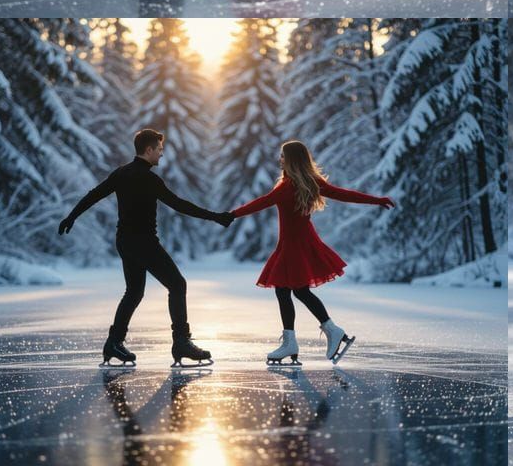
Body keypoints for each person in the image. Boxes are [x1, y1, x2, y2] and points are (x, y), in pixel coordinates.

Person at [58, 128, 235, 368]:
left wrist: (71, 216)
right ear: (148, 149)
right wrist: (215, 217)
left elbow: (94, 195)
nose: (162, 154)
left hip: (125, 242)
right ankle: (181, 342)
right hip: (143, 242)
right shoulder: (149, 178)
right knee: (177, 284)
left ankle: (114, 342)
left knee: (134, 292)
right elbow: (179, 204)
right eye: (159, 150)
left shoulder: (121, 173)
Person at [228, 140, 394, 366]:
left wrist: (231, 215)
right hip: (300, 242)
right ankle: (322, 333)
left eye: (283, 156)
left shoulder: (288, 186)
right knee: (294, 291)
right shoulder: (308, 182)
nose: (280, 160)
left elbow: (261, 202)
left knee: (290, 290)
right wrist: (376, 200)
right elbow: (343, 194)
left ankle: (306, 338)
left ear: (292, 160)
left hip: (294, 245)